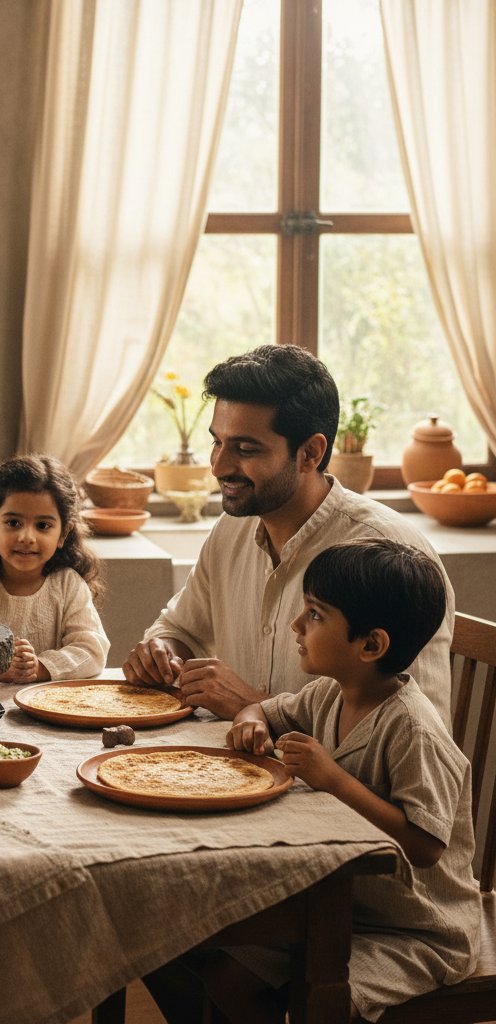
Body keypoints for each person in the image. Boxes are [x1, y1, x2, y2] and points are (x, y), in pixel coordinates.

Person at [211, 539, 480, 1022]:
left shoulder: (413, 730)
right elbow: (264, 710)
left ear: (371, 645)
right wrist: (248, 720)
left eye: (315, 614)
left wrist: (333, 779)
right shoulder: (326, 695)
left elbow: (424, 846)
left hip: (417, 929)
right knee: (226, 981)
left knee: (327, 1005)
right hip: (341, 907)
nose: (297, 624)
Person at [123, 344, 454, 725]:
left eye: (245, 448)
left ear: (310, 453)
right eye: (217, 442)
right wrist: (160, 653)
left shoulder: (390, 553)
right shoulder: (233, 527)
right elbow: (181, 628)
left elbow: (414, 734)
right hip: (243, 772)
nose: (218, 466)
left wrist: (255, 706)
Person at [0, 454, 109, 682]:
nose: (26, 537)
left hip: (53, 709)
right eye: (13, 523)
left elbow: (92, 650)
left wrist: (40, 667)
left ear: (63, 534)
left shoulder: (68, 585)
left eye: (42, 525)